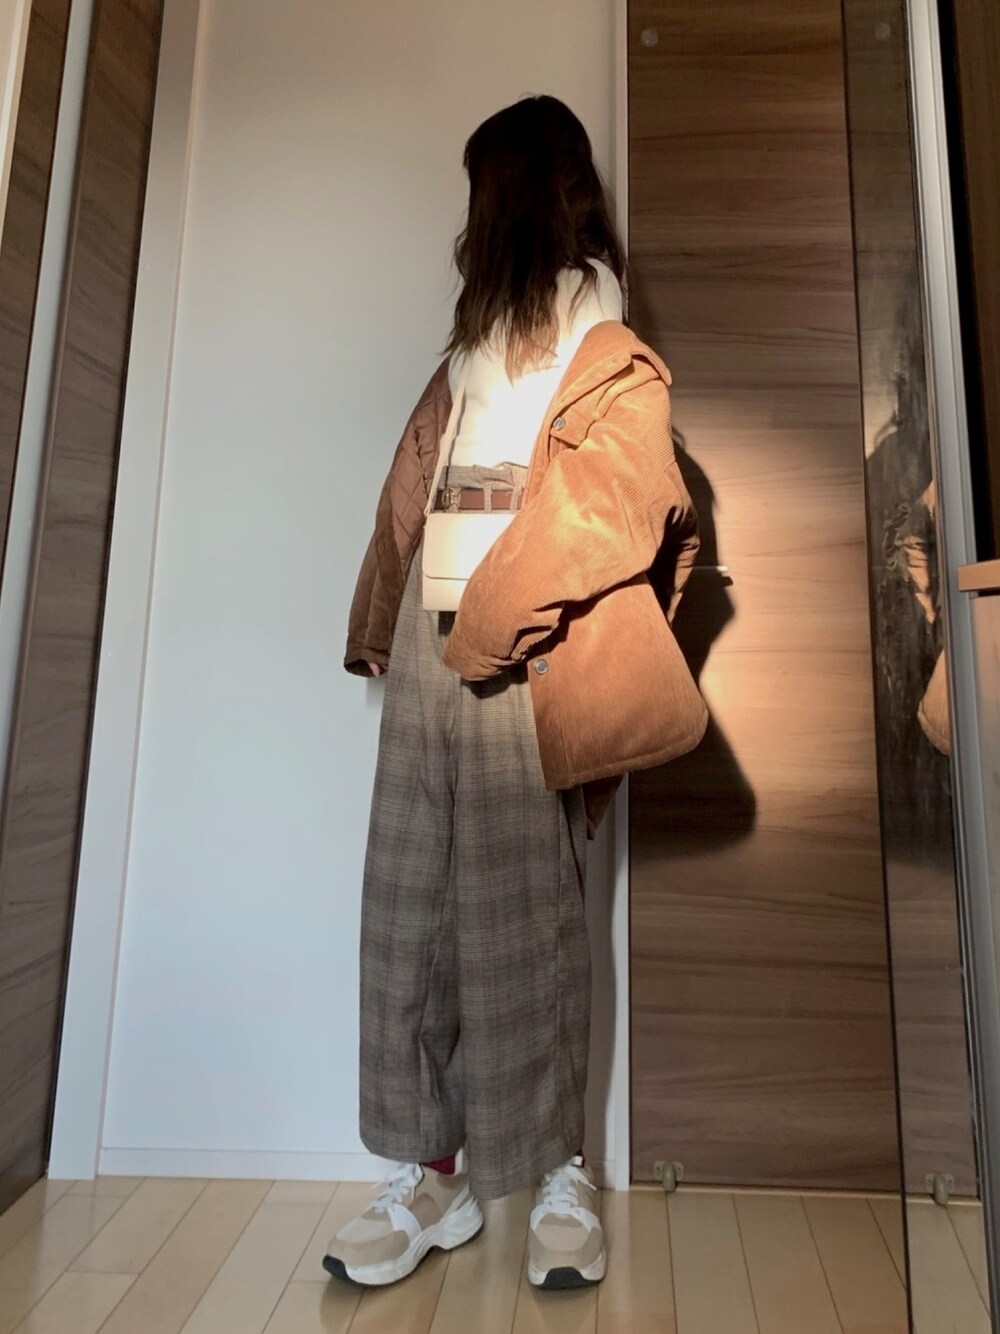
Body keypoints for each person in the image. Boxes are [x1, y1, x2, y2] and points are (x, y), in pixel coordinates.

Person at [325, 95, 706, 1292]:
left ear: (518, 193)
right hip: (431, 659)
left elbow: (621, 503)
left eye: (480, 187)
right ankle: (430, 1176)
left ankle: (556, 1172)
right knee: (407, 918)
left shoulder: (603, 340)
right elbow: (413, 485)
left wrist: (489, 624)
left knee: (526, 924)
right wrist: (380, 622)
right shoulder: (470, 346)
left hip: (524, 658)